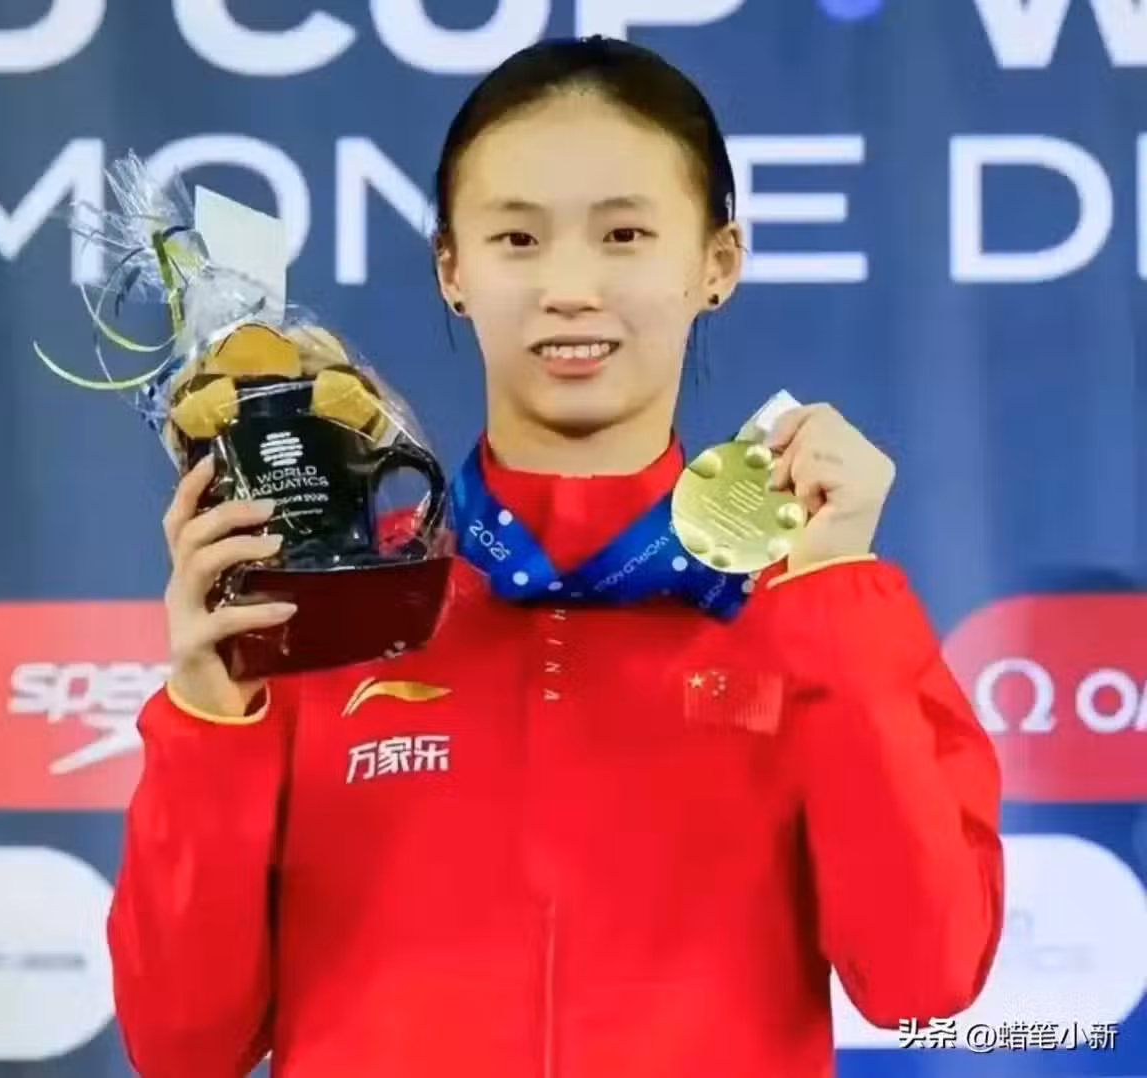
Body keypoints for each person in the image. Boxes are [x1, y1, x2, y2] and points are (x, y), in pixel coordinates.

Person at [107, 36, 1004, 1078]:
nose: (570, 287)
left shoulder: (810, 607)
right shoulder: (333, 604)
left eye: (625, 234)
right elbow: (183, 1044)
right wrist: (210, 711)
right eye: (518, 239)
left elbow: (922, 978)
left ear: (717, 264)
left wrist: (835, 598)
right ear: (453, 269)